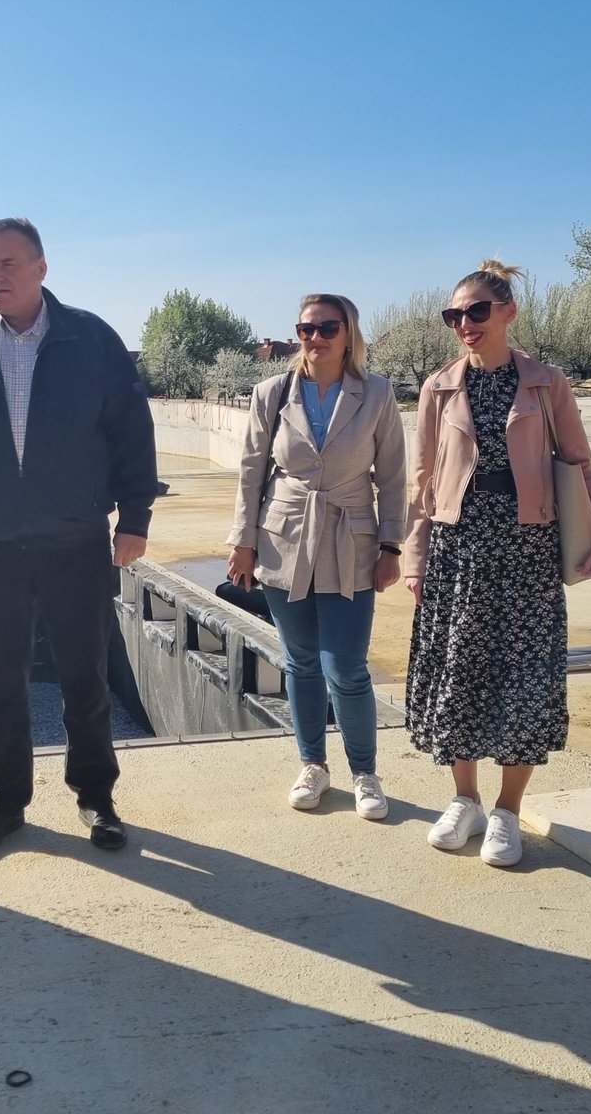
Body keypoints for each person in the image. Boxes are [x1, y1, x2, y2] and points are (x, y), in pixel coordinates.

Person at [0, 217, 158, 853]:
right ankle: (4, 801)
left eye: (9, 264)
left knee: (86, 678)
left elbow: (132, 434)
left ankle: (97, 797)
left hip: (76, 542)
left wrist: (134, 519)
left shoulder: (91, 340)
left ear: (42, 268)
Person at [403, 260, 591, 866]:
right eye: (454, 315)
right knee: (460, 671)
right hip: (457, 548)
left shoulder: (547, 384)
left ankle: (506, 811)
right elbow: (422, 482)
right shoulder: (439, 387)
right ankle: (465, 799)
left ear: (508, 312)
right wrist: (416, 556)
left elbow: (578, 463)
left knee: (524, 676)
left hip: (527, 547)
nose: (464, 324)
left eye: (476, 311)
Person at [226, 294, 407, 817]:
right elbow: (251, 472)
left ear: (348, 334)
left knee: (346, 667)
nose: (316, 337)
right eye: (306, 328)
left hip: (351, 539)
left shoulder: (377, 393)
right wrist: (242, 542)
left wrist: (391, 546)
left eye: (328, 327)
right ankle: (313, 765)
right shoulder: (272, 393)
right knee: (301, 663)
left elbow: (393, 477)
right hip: (283, 538)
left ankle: (365, 773)